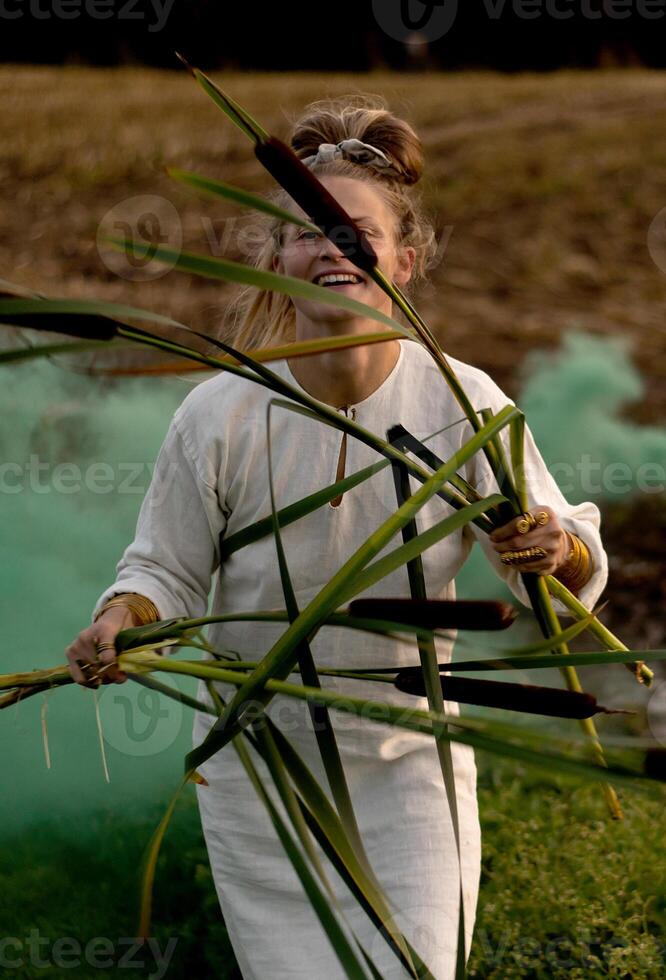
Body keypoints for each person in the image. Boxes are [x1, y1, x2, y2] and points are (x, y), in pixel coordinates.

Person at [66, 95, 608, 979]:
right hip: (261, 766)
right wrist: (122, 619)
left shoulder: (465, 405)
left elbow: (565, 555)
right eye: (305, 234)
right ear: (276, 257)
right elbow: (161, 567)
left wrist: (553, 551)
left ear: (408, 254)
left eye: (355, 231)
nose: (330, 250)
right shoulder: (219, 414)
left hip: (411, 764)